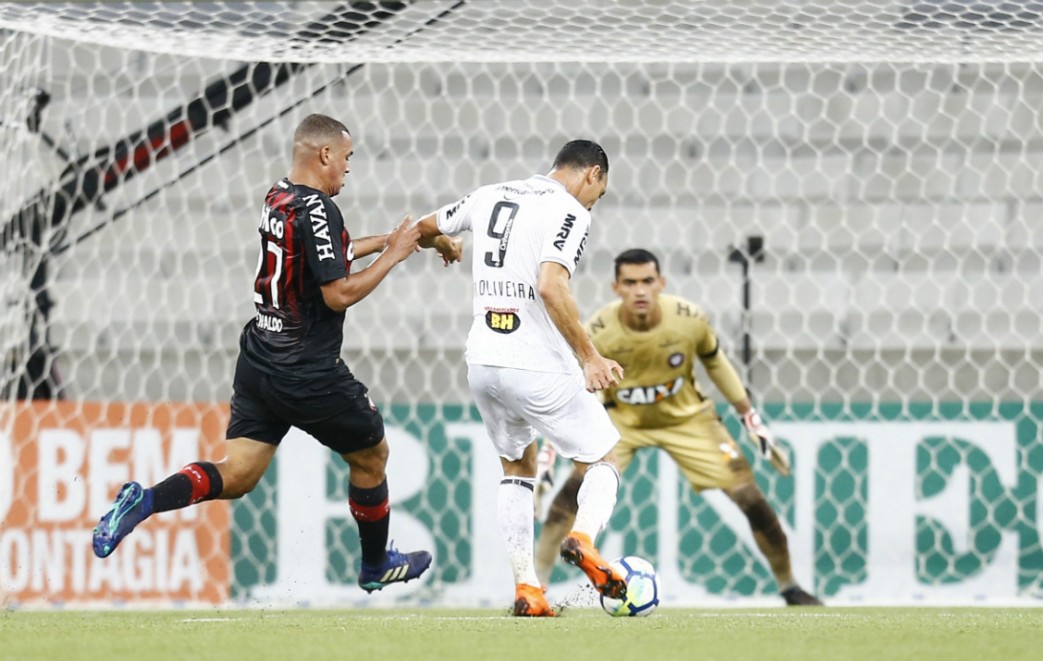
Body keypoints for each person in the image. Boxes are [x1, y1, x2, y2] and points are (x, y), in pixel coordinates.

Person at [92, 113, 462, 595]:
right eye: (346, 157)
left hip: (259, 359)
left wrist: (394, 241)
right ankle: (375, 564)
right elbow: (337, 293)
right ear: (325, 154)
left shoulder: (280, 195)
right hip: (304, 369)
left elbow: (329, 254)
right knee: (373, 453)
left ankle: (144, 501)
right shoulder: (320, 209)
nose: (348, 168)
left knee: (238, 474)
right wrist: (392, 256)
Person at [534, 248, 823, 606]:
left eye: (647, 281)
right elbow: (575, 387)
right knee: (568, 499)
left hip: (688, 419)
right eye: (630, 283)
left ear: (661, 283)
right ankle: (536, 587)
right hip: (622, 421)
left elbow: (716, 364)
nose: (640, 290)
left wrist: (749, 416)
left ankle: (790, 585)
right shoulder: (599, 330)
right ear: (616, 288)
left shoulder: (688, 319)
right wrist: (551, 448)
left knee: (751, 498)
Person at [414, 140, 628, 617]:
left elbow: (421, 228)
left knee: (517, 467)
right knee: (603, 457)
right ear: (591, 174)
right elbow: (551, 285)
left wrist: (442, 242)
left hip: (483, 360)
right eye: (599, 194)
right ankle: (583, 538)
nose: (594, 202)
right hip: (535, 362)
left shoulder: (488, 194)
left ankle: (528, 588)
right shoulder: (570, 210)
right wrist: (590, 356)